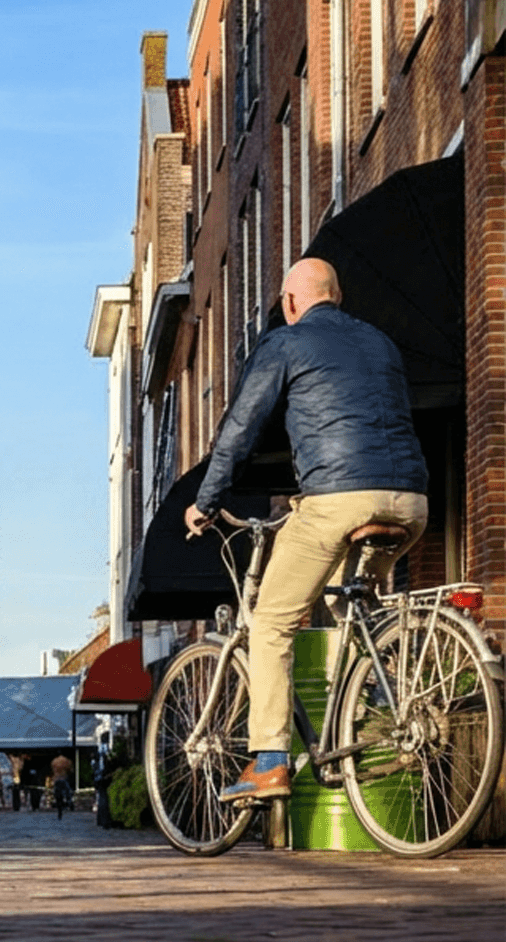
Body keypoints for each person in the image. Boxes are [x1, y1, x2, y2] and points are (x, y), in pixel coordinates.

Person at [184, 258, 429, 803]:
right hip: (411, 501)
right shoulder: (382, 343)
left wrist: (206, 500)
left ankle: (269, 761)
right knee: (354, 605)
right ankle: (379, 716)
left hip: (337, 501)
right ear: (337, 297)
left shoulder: (285, 342)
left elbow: (240, 428)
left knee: (270, 621)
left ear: (291, 303)